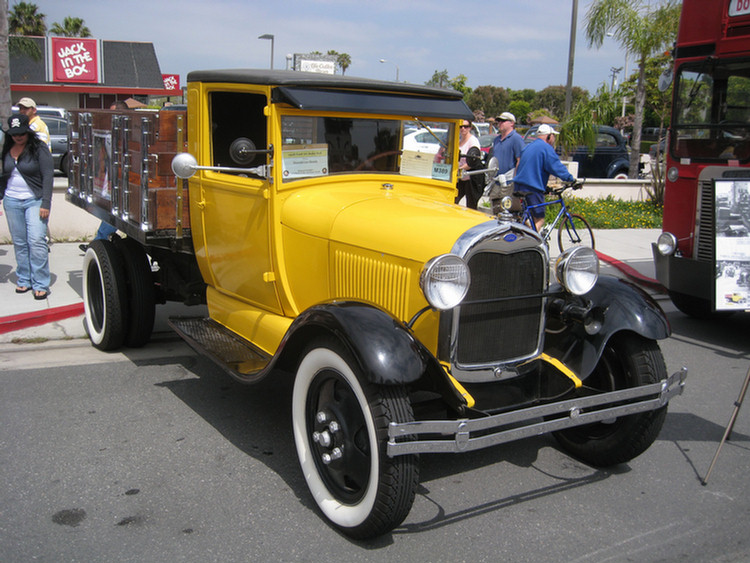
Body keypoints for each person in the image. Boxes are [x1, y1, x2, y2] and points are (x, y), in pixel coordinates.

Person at [0, 114, 55, 300]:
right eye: (15, 134)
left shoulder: (39, 148)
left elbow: (48, 175)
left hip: (35, 200)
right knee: (20, 242)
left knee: (36, 241)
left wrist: (46, 202)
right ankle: (24, 278)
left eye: (22, 133)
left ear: (28, 131)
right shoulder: (7, 148)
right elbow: (4, 175)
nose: (19, 137)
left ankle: (40, 283)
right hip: (11, 201)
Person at [79, 101, 129, 252]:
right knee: (110, 216)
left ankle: (98, 242)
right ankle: (98, 241)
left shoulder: (126, 133)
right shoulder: (110, 133)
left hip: (123, 185)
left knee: (111, 218)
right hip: (112, 184)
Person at [513, 123, 576, 232]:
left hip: (519, 185)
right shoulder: (546, 148)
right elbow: (556, 167)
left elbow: (520, 165)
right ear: (549, 136)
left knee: (529, 218)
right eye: (553, 137)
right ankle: (532, 243)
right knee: (539, 219)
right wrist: (571, 180)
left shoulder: (528, 146)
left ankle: (525, 234)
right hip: (532, 187)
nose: (554, 139)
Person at [488, 112, 525, 214]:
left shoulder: (516, 139)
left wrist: (516, 180)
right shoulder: (496, 140)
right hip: (496, 181)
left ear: (512, 123)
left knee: (507, 212)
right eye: (499, 121)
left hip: (509, 182)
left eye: (503, 121)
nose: (500, 123)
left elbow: (520, 160)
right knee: (495, 210)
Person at [455, 119, 483, 209]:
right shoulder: (459, 141)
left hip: (471, 177)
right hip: (460, 177)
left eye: (466, 126)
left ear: (470, 128)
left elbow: (473, 161)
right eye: (461, 126)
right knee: (454, 199)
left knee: (471, 204)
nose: (463, 129)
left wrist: (460, 169)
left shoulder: (473, 141)